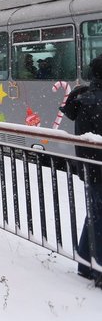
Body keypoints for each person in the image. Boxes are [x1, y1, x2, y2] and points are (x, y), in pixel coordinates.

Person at [60, 54, 102, 287]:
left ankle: (86, 263)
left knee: (96, 214)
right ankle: (97, 268)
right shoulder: (95, 99)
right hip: (98, 165)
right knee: (98, 215)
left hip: (90, 166)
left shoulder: (84, 97)